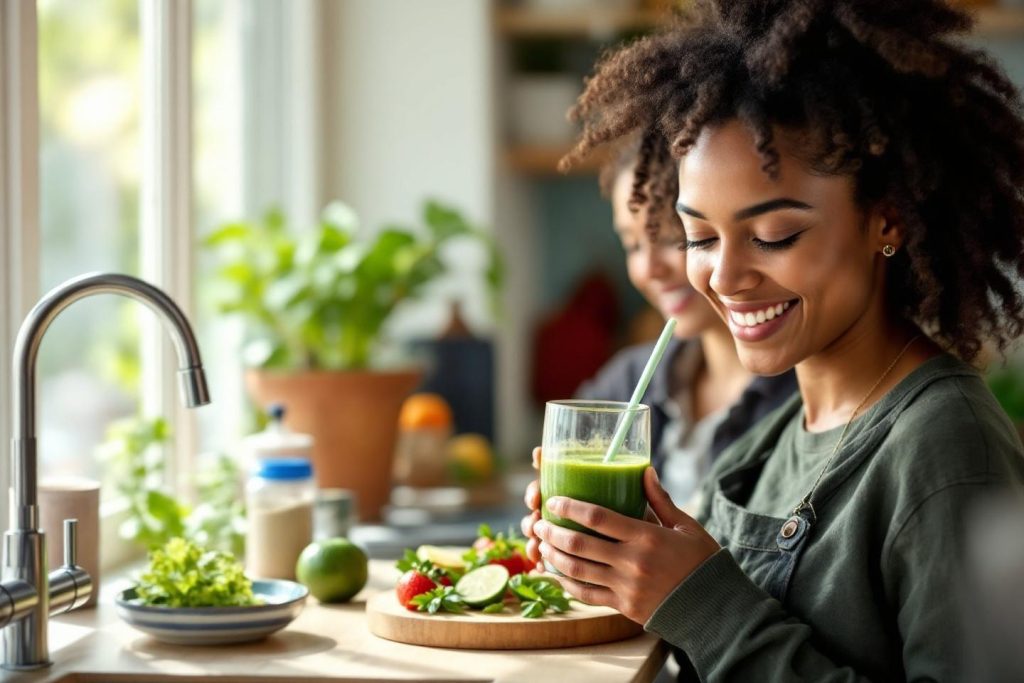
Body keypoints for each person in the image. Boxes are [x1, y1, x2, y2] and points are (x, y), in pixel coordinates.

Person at [521, 1, 1024, 680]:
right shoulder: (781, 439)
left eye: (774, 235)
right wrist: (626, 567)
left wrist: (699, 601)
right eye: (699, 235)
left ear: (889, 220)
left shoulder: (944, 446)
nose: (724, 276)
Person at [576, 140, 796, 511]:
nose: (648, 270)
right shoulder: (627, 382)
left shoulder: (802, 400)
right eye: (632, 245)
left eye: (671, 239)